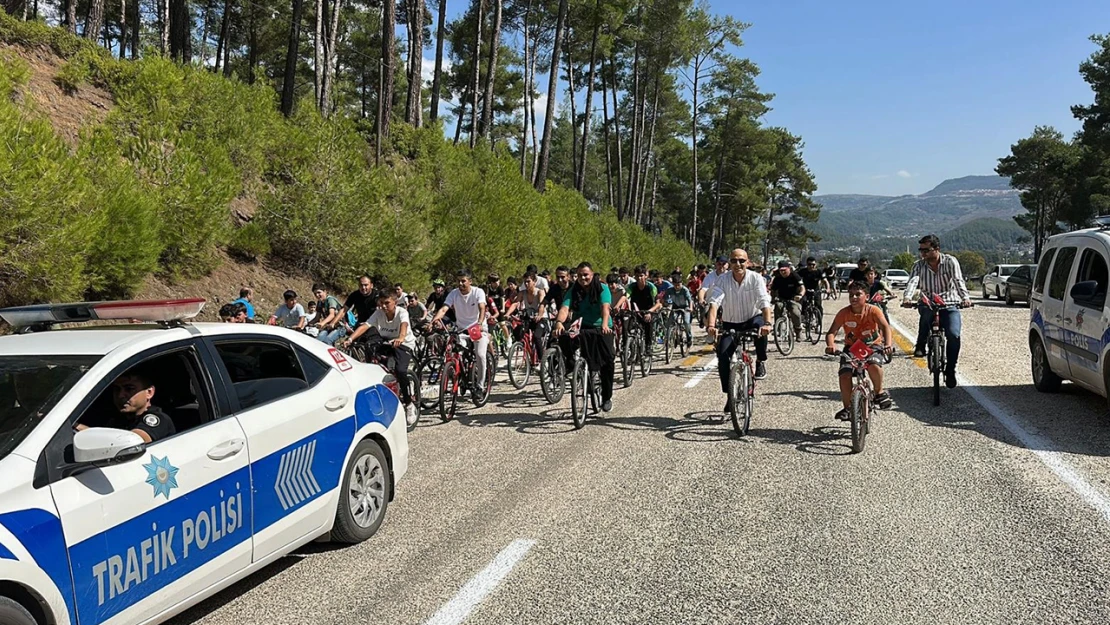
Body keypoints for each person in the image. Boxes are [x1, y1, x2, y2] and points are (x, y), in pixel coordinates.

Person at [902, 234, 972, 388]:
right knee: (926, 315)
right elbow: (913, 282)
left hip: (949, 302)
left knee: (954, 334)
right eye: (921, 250)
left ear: (937, 249)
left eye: (926, 250)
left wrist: (965, 298)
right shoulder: (918, 265)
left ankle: (950, 369)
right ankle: (921, 344)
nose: (923, 254)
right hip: (928, 301)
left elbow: (958, 280)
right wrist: (907, 298)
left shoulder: (950, 261)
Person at [706, 248, 772, 412]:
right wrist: (711, 326)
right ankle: (730, 395)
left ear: (747, 262)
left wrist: (768, 323)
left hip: (752, 318)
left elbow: (764, 301)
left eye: (741, 260)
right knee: (722, 355)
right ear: (730, 263)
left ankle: (760, 361)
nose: (738, 264)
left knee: (761, 330)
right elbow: (714, 303)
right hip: (731, 322)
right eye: (734, 260)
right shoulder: (722, 280)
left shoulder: (756, 278)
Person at [825, 281, 894, 420]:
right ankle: (847, 408)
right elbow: (831, 332)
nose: (854, 298)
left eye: (858, 294)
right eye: (851, 295)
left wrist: (888, 344)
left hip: (872, 345)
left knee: (873, 365)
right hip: (852, 347)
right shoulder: (844, 313)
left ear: (867, 297)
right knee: (844, 375)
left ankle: (879, 392)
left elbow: (885, 327)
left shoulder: (873, 310)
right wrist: (830, 344)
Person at [553, 262, 616, 412]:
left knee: (608, 360)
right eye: (580, 275)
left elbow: (605, 308)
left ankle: (606, 396)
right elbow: (565, 307)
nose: (583, 278)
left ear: (592, 274)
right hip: (581, 325)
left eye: (586, 274)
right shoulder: (574, 289)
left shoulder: (602, 288)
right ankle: (575, 368)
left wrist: (605, 325)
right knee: (565, 337)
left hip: (602, 326)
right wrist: (559, 322)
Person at [76, 368, 175, 444]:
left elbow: (131, 442)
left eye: (129, 389)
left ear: (149, 392)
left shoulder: (158, 419)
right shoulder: (117, 419)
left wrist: (84, 431)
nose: (120, 395)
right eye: (117, 389)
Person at [431, 269, 490, 394]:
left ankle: (480, 385)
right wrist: (435, 320)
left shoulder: (478, 292)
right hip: (461, 330)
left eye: (463, 281)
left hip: (477, 328)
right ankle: (460, 377)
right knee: (455, 353)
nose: (460, 284)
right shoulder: (454, 293)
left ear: (470, 281)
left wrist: (479, 323)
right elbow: (444, 309)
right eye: (458, 281)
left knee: (480, 355)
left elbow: (482, 308)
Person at [363, 293, 419, 423]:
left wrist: (400, 337)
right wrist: (349, 339)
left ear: (395, 302)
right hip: (387, 342)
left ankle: (409, 404)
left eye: (387, 303)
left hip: (404, 343)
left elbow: (404, 325)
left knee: (400, 370)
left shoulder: (402, 312)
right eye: (381, 303)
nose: (383, 306)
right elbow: (366, 325)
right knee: (373, 366)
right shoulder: (379, 313)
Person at [324, 276, 376, 346]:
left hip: (374, 324)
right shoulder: (355, 295)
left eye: (366, 285)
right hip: (360, 324)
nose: (363, 288)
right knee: (350, 344)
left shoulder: (377, 296)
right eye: (361, 285)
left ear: (371, 285)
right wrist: (333, 323)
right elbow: (343, 310)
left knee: (370, 345)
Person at [767, 261, 805, 341]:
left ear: (789, 269)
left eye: (785, 270)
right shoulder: (777, 278)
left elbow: (802, 287)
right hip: (782, 299)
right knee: (778, 307)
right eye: (781, 270)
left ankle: (798, 330)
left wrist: (800, 295)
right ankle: (777, 327)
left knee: (795, 312)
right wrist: (773, 298)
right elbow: (773, 290)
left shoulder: (794, 276)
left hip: (794, 298)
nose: (783, 272)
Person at [628, 265, 662, 352]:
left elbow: (658, 303)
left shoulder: (651, 287)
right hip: (636, 311)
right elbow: (626, 297)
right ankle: (628, 346)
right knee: (629, 326)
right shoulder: (631, 287)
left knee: (648, 325)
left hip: (649, 310)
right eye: (637, 276)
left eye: (641, 275)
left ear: (645, 276)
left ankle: (648, 345)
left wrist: (650, 312)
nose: (639, 278)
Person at [664, 271, 694, 349]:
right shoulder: (669, 290)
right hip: (675, 307)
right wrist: (667, 306)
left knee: (686, 322)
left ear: (682, 283)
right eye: (675, 285)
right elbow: (667, 299)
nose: (677, 287)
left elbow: (690, 300)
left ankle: (689, 337)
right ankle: (668, 338)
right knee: (669, 322)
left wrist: (690, 308)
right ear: (673, 284)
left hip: (685, 308)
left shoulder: (685, 290)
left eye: (679, 285)